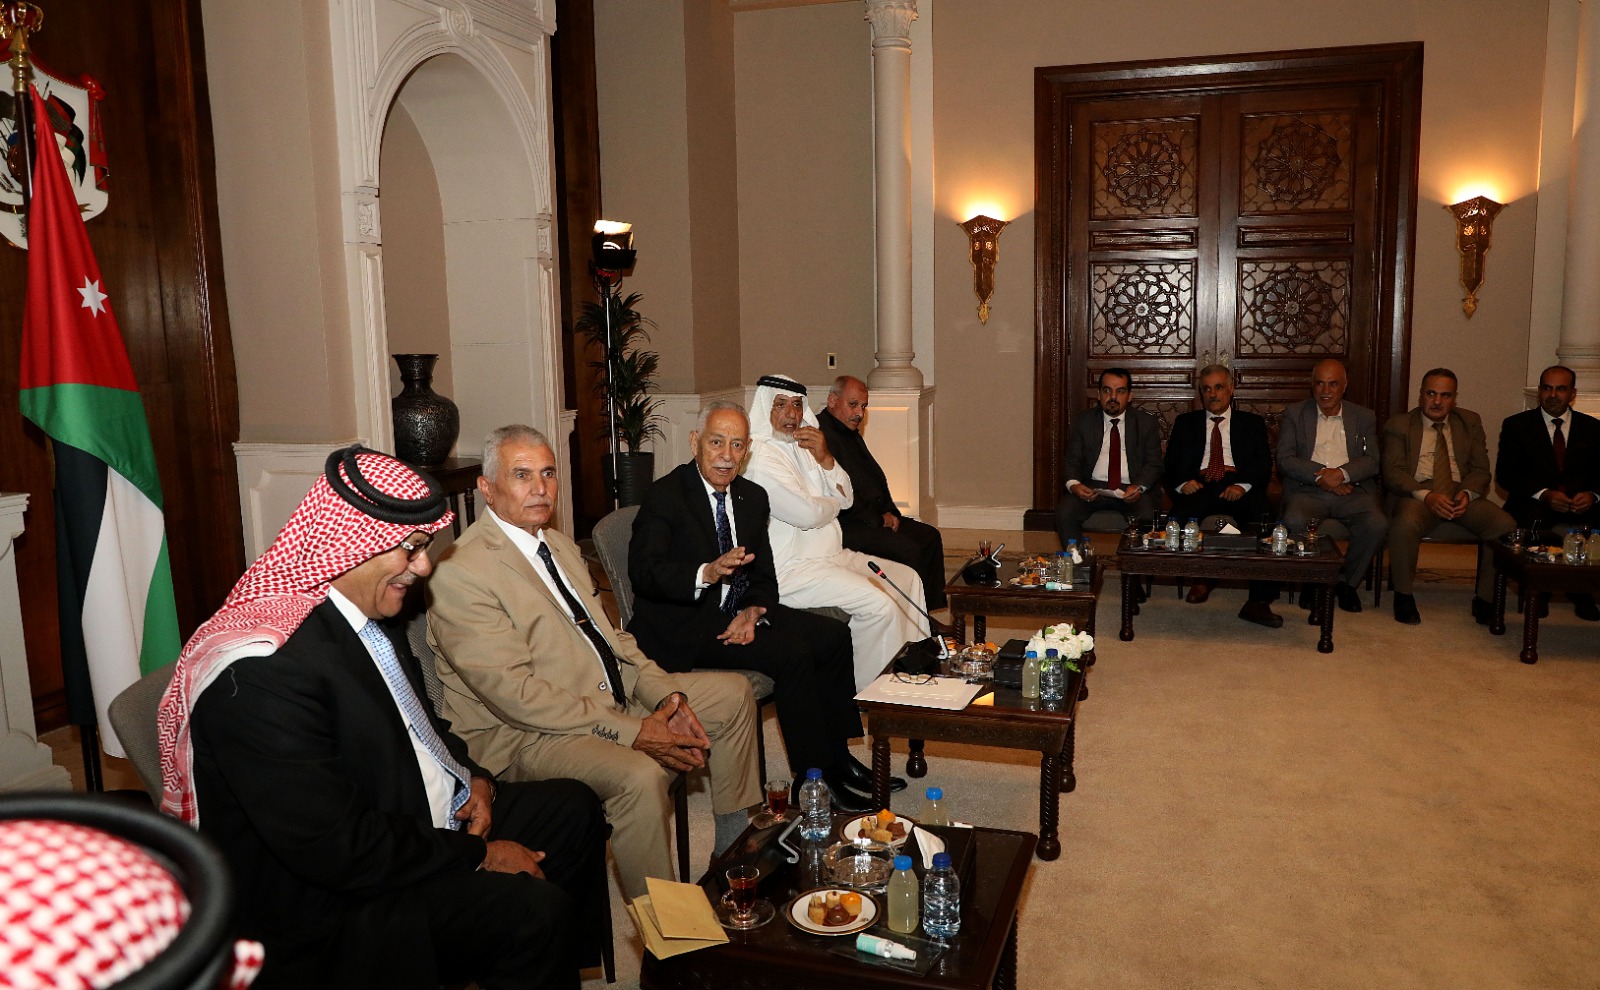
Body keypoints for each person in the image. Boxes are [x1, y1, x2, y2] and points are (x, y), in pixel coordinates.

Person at [156, 446, 607, 990]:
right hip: (330, 905)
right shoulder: (261, 673)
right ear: (349, 544)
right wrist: (477, 854)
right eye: (410, 549)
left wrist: (473, 778)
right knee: (533, 914)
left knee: (572, 808)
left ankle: (548, 967)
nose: (423, 567)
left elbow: (424, 724)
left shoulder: (365, 614)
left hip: (406, 819)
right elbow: (337, 847)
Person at [425, 426, 763, 901]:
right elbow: (517, 698)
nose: (540, 488)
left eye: (548, 473)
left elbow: (613, 640)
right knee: (639, 776)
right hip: (526, 737)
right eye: (522, 475)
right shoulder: (460, 573)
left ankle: (731, 855)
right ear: (487, 488)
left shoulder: (559, 545)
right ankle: (668, 932)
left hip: (599, 698)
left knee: (733, 694)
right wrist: (634, 730)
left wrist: (666, 697)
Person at [627, 400, 886, 812]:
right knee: (793, 653)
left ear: (747, 451)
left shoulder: (751, 497)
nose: (726, 456)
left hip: (736, 613)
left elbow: (763, 574)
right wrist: (707, 573)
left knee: (835, 634)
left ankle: (837, 759)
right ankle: (813, 780)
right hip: (683, 627)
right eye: (716, 442)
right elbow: (644, 572)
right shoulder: (666, 496)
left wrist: (754, 611)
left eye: (736, 445)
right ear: (695, 442)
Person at [742, 374, 931, 689]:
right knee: (879, 606)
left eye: (797, 405)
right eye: (781, 405)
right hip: (793, 571)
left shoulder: (807, 444)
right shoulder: (760, 458)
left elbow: (847, 498)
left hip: (834, 555)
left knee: (908, 580)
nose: (791, 413)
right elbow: (808, 515)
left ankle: (912, 674)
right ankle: (867, 692)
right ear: (765, 408)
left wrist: (827, 459)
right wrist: (829, 503)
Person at [1379, 369, 1515, 625]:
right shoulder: (1399, 424)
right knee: (1405, 523)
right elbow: (1393, 472)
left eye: (1445, 395)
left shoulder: (1470, 422)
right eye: (1431, 394)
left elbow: (1480, 469)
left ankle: (1485, 599)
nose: (1437, 401)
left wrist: (1467, 494)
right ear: (1421, 395)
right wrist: (1427, 496)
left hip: (1459, 490)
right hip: (1417, 493)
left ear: (1454, 398)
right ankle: (1403, 596)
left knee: (1503, 525)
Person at [1162, 364, 1281, 627]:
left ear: (1231, 389)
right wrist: (1182, 484)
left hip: (1238, 485)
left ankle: (1259, 601)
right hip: (1200, 484)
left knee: (1265, 524)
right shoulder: (1186, 422)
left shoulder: (1251, 423)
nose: (1212, 394)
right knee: (1175, 521)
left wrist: (1243, 486)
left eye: (1218, 387)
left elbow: (1263, 464)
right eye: (1206, 389)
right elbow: (1170, 464)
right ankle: (1202, 577)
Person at [817, 375, 948, 611]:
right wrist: (879, 519)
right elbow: (837, 493)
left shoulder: (847, 430)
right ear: (833, 400)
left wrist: (889, 513)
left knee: (929, 537)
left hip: (872, 516)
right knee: (908, 551)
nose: (859, 413)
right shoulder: (822, 436)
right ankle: (910, 618)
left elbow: (871, 479)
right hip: (848, 524)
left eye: (863, 406)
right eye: (853, 404)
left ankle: (926, 614)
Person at [1277, 359, 1389, 614]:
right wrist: (1324, 478)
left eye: (1333, 384)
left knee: (1377, 524)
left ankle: (1346, 583)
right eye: (1320, 383)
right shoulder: (1295, 414)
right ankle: (1311, 582)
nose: (1325, 391)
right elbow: (1285, 459)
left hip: (1352, 490)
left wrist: (1341, 474)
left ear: (1344, 386)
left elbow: (1372, 461)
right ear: (1312, 385)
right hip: (1309, 489)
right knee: (1294, 519)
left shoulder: (1363, 416)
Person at [1495, 364, 1600, 621]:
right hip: (1535, 501)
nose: (1553, 395)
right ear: (1540, 391)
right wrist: (1543, 494)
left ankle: (1582, 590)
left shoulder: (1593, 428)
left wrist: (1593, 495)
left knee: (1594, 525)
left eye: (1560, 389)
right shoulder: (1517, 425)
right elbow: (1506, 475)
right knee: (1534, 521)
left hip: (1581, 503)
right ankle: (1539, 591)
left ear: (1572, 394)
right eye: (1547, 388)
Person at [1056, 367, 1162, 546]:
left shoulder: (1146, 423)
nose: (1113, 397)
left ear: (1129, 396)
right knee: (1065, 512)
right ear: (1099, 395)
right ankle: (1077, 560)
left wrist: (1138, 486)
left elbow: (1154, 464)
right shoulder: (1084, 421)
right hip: (1092, 488)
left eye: (1120, 391)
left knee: (1146, 514)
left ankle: (1135, 561)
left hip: (1130, 489)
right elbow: (1071, 460)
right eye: (1107, 391)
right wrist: (1074, 485)